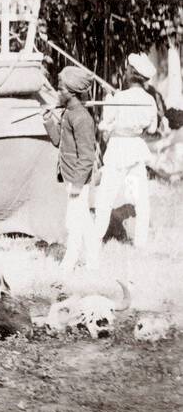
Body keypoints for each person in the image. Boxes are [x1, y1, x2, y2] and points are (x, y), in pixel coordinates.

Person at [92, 53, 157, 261]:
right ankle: (140, 244)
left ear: (131, 74)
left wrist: (109, 104)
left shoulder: (117, 98)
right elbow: (153, 128)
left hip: (118, 150)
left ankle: (95, 239)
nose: (125, 71)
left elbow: (104, 128)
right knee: (139, 199)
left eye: (127, 69)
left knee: (105, 198)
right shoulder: (149, 100)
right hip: (136, 149)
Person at [42, 66, 99, 274]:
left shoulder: (82, 118)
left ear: (71, 92)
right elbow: (58, 142)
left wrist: (77, 185)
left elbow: (87, 156)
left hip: (78, 179)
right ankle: (93, 262)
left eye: (60, 90)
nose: (58, 93)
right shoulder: (67, 113)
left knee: (75, 222)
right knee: (81, 220)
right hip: (69, 176)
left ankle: (70, 263)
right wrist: (48, 119)